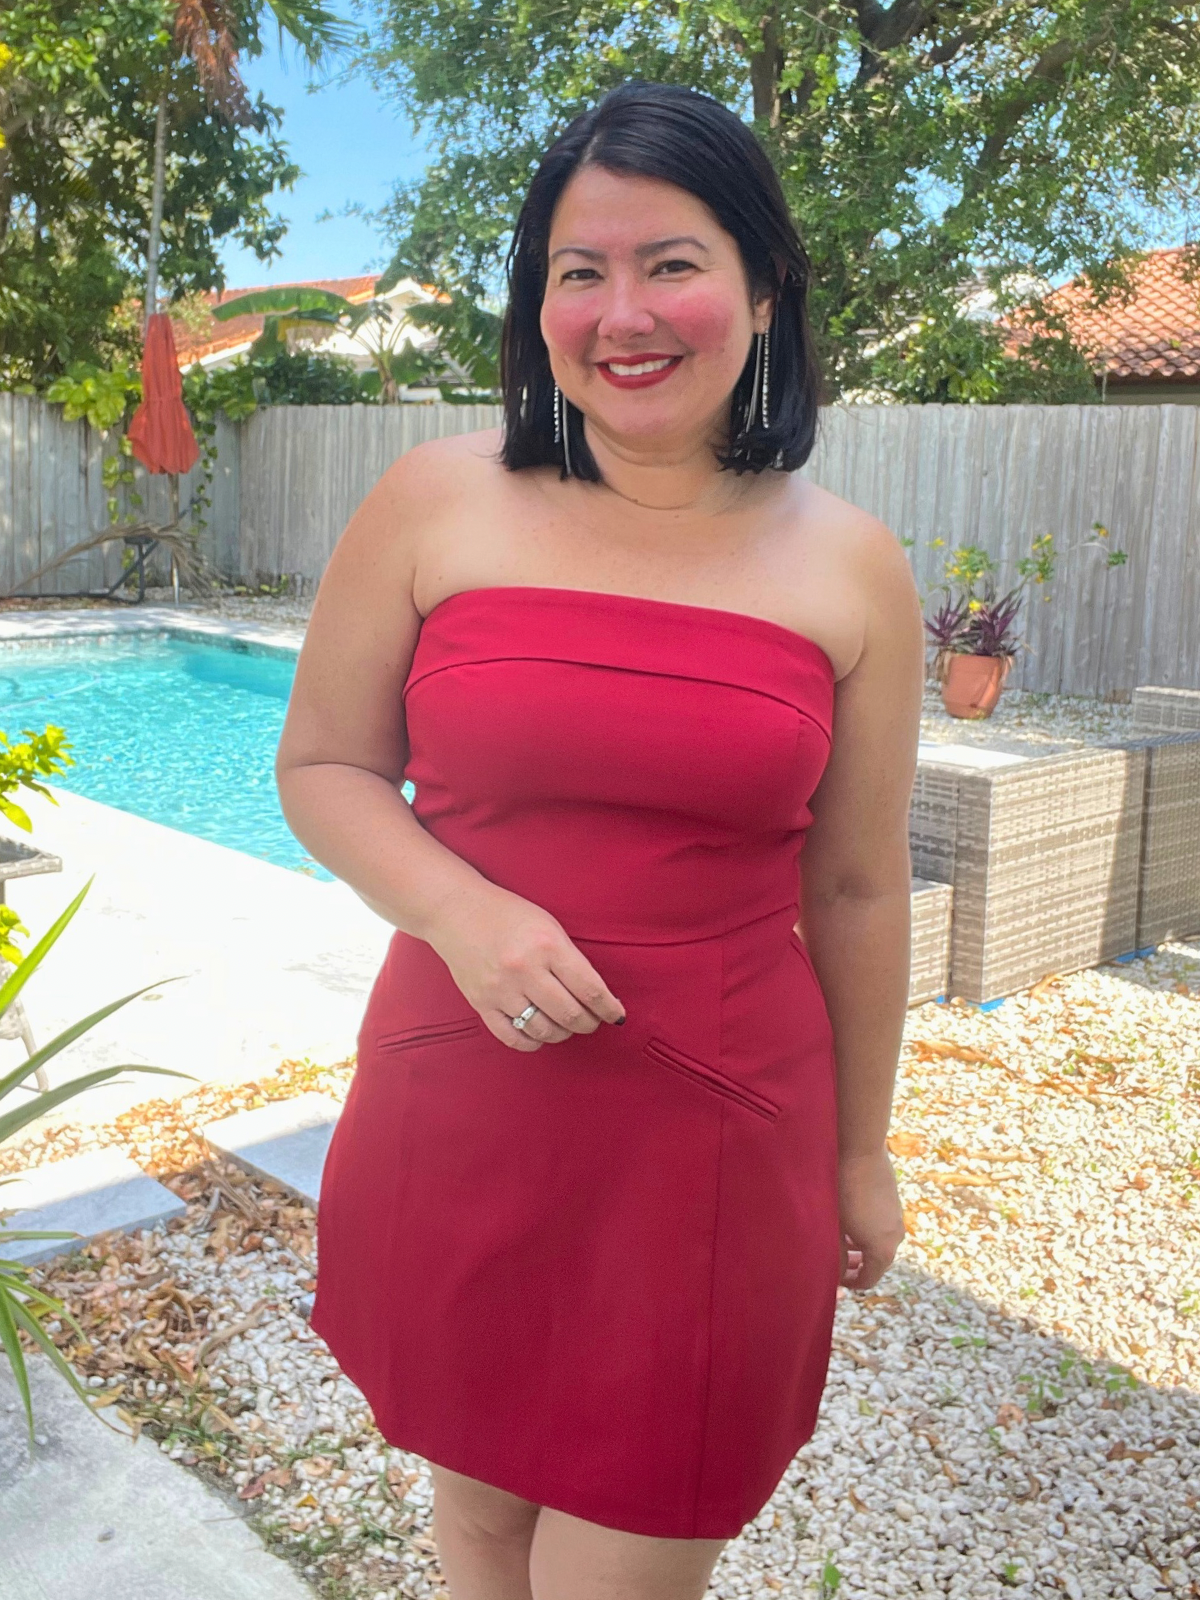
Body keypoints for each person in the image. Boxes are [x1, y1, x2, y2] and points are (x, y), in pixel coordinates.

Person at [276, 80, 922, 1600]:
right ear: (538, 307)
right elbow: (321, 767)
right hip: (462, 1103)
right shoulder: (437, 502)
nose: (623, 310)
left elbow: (856, 881)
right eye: (581, 271)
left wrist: (864, 1148)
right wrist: (457, 910)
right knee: (482, 1529)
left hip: (714, 1145)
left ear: (762, 288)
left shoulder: (850, 567)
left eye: (670, 262)